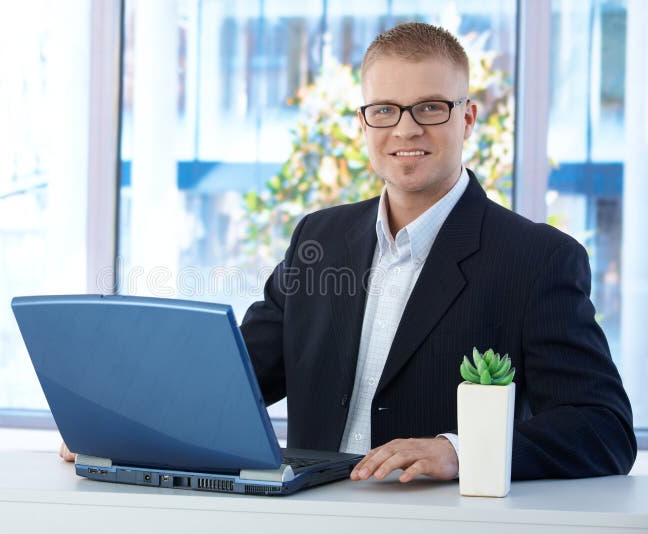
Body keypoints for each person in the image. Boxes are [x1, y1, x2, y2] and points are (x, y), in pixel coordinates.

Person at [63, 22, 637, 482]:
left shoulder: (537, 259)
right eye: (384, 110)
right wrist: (120, 425)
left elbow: (603, 428)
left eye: (430, 108)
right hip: (308, 515)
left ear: (466, 117)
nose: (405, 129)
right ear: (364, 121)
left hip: (439, 522)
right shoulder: (319, 238)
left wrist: (459, 451)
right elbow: (236, 381)